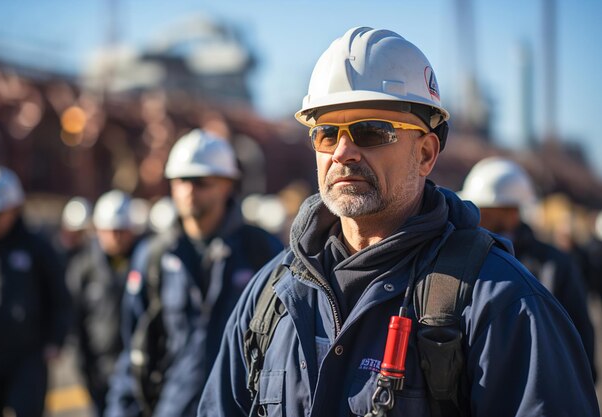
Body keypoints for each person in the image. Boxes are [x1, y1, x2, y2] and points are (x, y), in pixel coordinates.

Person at [197, 27, 599, 417]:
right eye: (326, 133)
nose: (343, 152)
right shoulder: (273, 293)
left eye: (371, 131)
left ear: (425, 154)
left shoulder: (501, 304)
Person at [106, 129, 284, 417]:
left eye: (201, 182)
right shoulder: (154, 256)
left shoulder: (262, 251)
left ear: (228, 185)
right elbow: (132, 352)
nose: (189, 190)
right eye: (181, 181)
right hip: (172, 408)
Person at [458, 156, 597, 382]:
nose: (477, 216)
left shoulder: (554, 265)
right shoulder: (467, 259)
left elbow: (580, 339)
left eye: (485, 209)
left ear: (510, 211)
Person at [0, 165, 72, 417]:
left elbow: (59, 295)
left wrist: (55, 339)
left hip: (28, 354)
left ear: (15, 209)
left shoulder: (36, 246)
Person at [66, 190, 145, 417]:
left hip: (138, 365)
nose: (116, 237)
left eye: (122, 230)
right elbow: (74, 317)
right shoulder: (84, 267)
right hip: (99, 367)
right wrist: (81, 362)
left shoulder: (147, 261)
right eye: (110, 231)